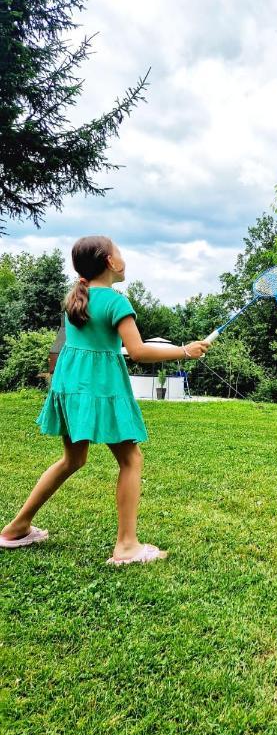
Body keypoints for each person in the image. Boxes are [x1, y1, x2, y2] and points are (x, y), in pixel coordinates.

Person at [0, 236, 209, 565]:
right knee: (131, 459)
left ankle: (16, 528)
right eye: (120, 252)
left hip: (71, 388)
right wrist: (184, 351)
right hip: (100, 390)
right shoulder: (115, 302)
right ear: (111, 263)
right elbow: (138, 350)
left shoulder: (75, 301)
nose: (123, 257)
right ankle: (126, 546)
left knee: (72, 460)